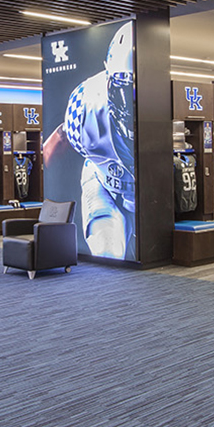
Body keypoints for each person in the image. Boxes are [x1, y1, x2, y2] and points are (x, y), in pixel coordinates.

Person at [43, 22, 136, 259]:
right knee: (108, 251)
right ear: (108, 79)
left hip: (145, 195)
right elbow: (62, 138)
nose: (130, 103)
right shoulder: (87, 106)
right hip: (105, 185)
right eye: (123, 88)